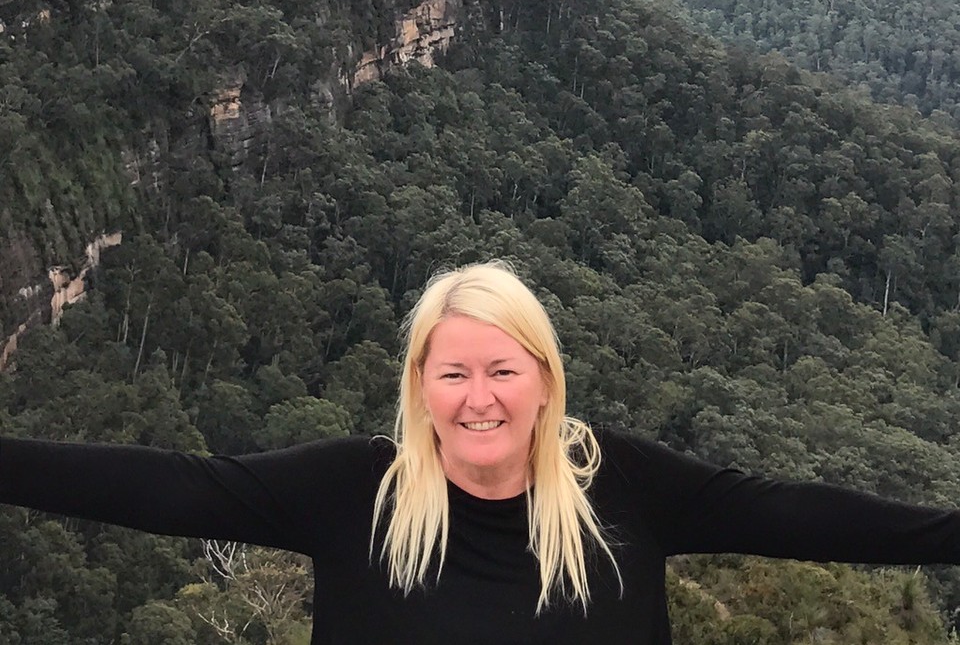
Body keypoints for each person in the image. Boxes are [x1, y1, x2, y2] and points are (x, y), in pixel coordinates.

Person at [2, 259, 960, 644]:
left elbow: (792, 512)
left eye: (502, 369)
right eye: (452, 373)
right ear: (420, 384)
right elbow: (173, 489)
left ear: (544, 376)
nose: (479, 398)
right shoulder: (352, 492)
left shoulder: (620, 485)